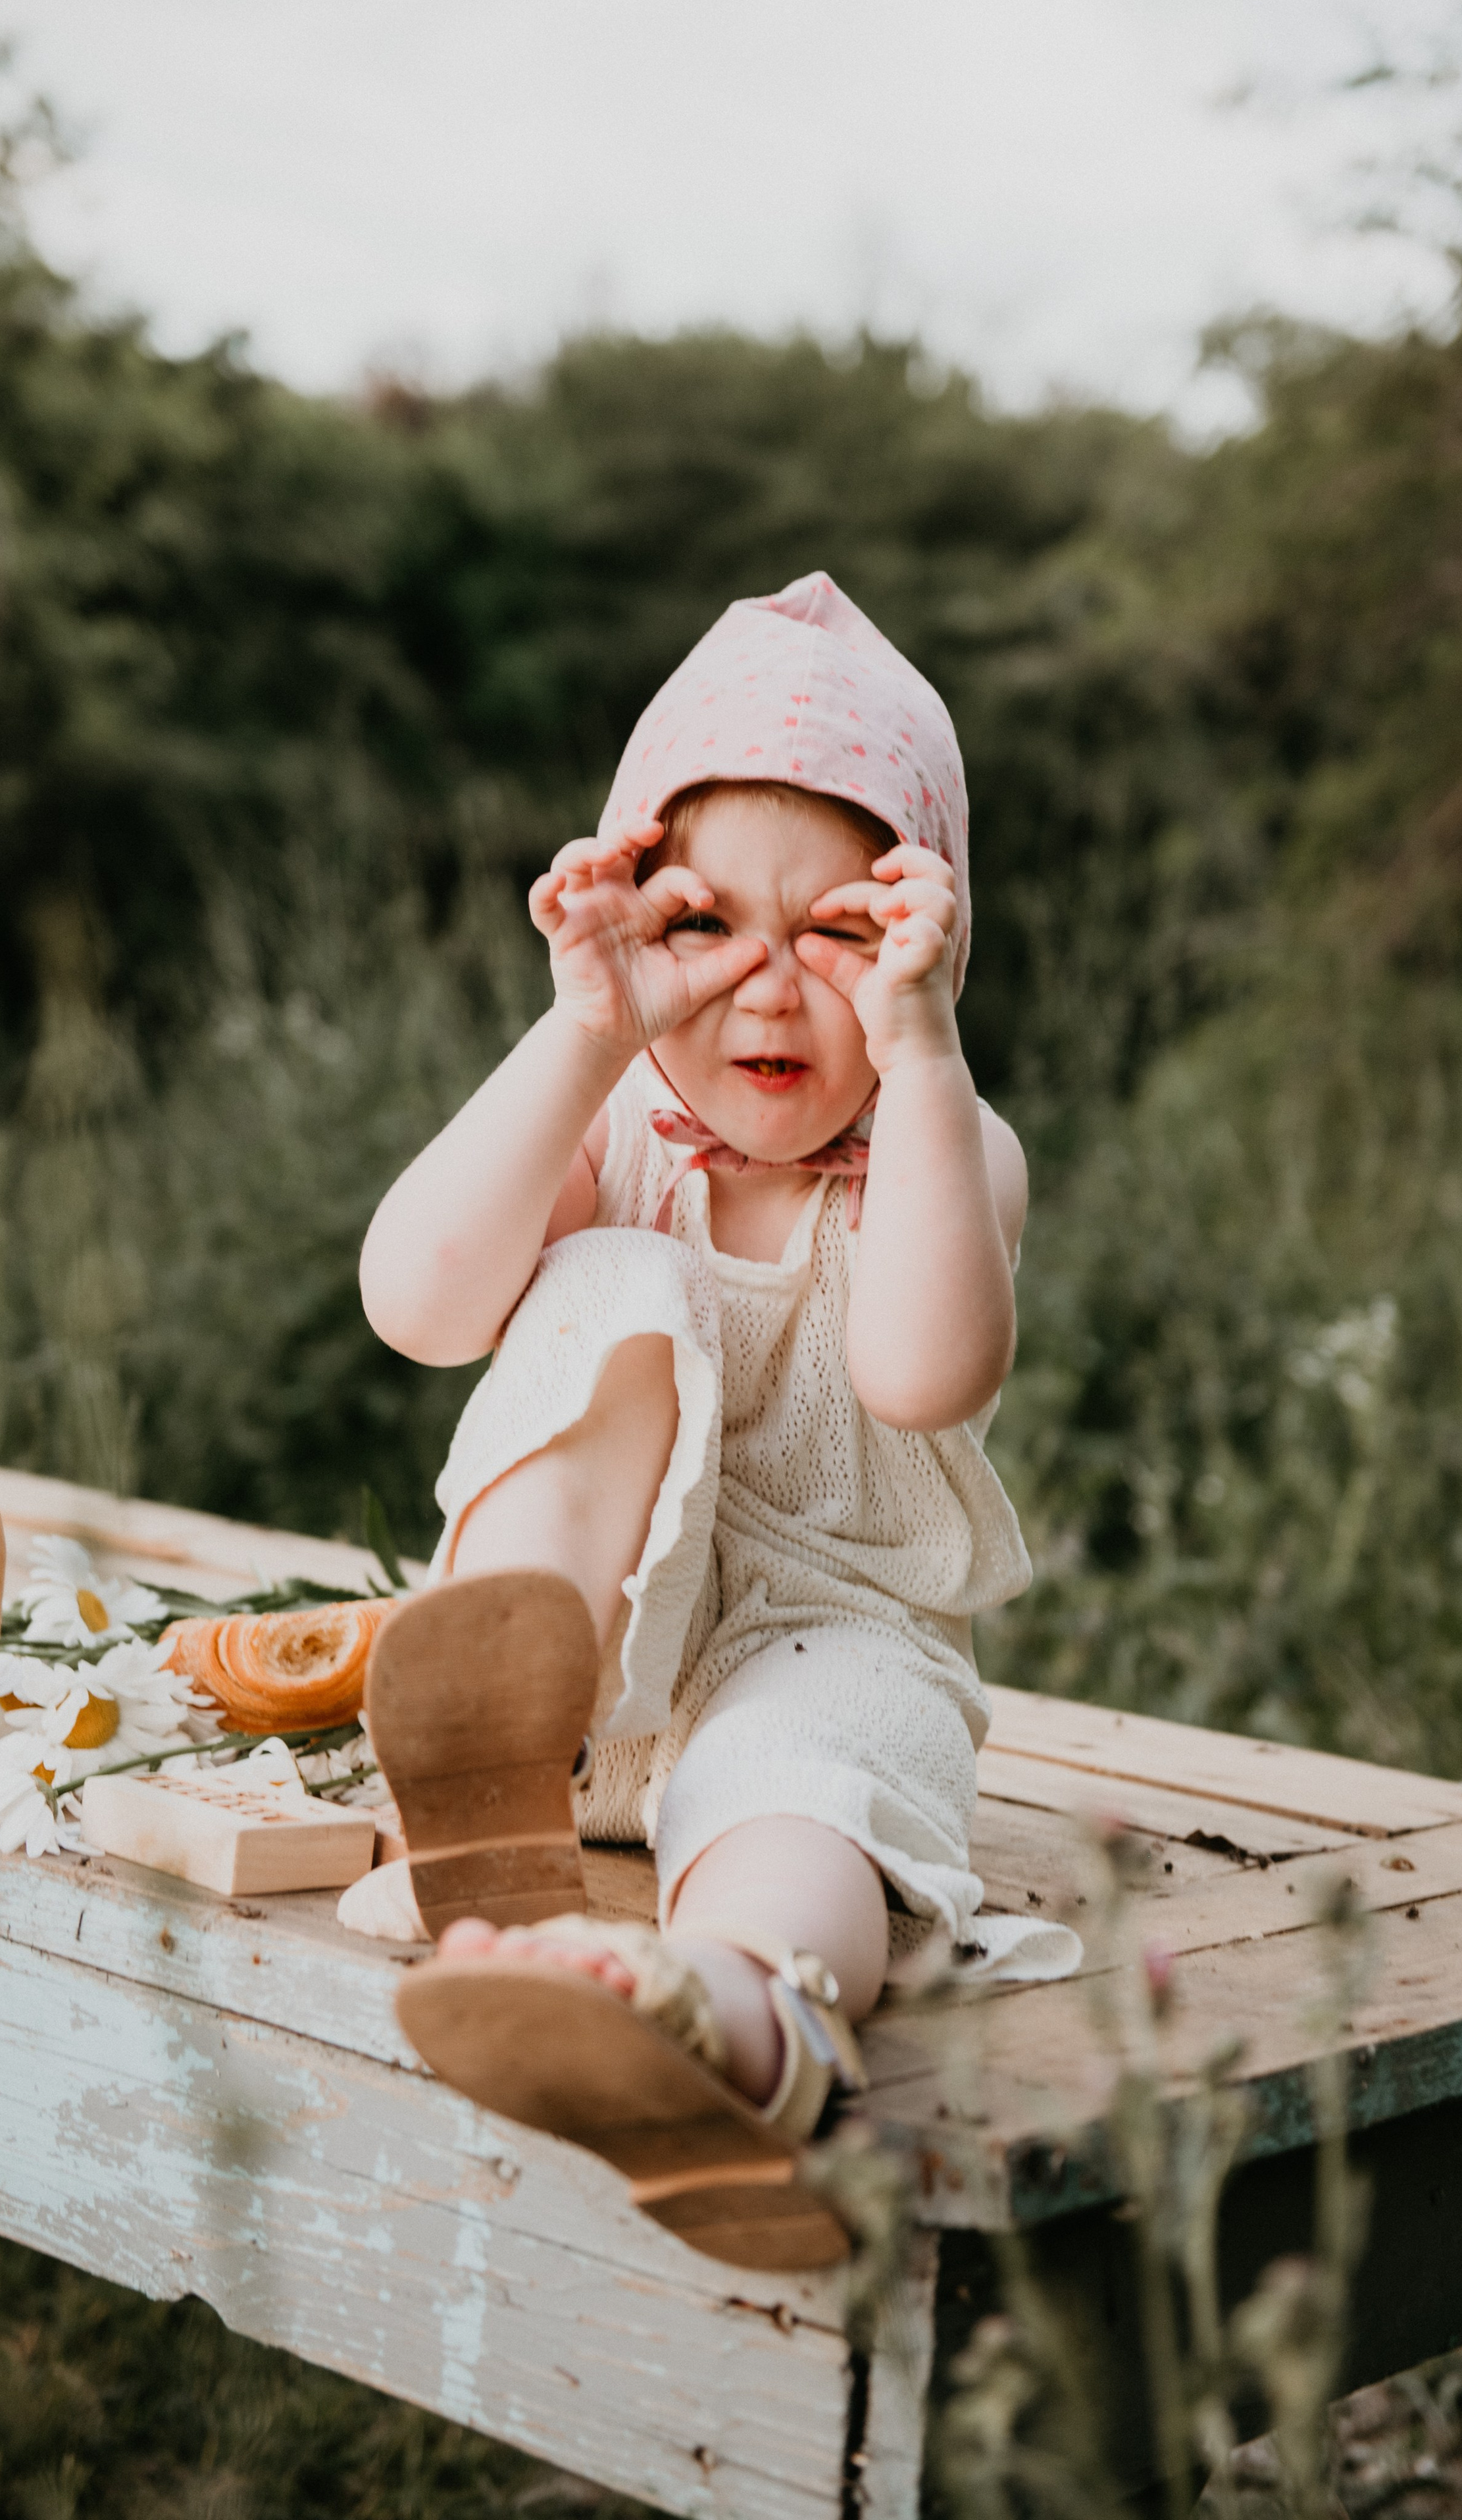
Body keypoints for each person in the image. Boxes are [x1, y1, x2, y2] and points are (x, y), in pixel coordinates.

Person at [345, 572, 1080, 2267]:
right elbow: (421, 1303)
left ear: (932, 940)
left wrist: (925, 1057)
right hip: (586, 1678)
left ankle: (726, 2026)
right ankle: (490, 1783)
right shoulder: (609, 1131)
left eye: (841, 935)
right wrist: (581, 1036)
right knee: (608, 1285)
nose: (765, 987)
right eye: (702, 927)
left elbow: (924, 1378)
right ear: (629, 928)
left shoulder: (945, 1151)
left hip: (820, 1649)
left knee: (809, 1802)